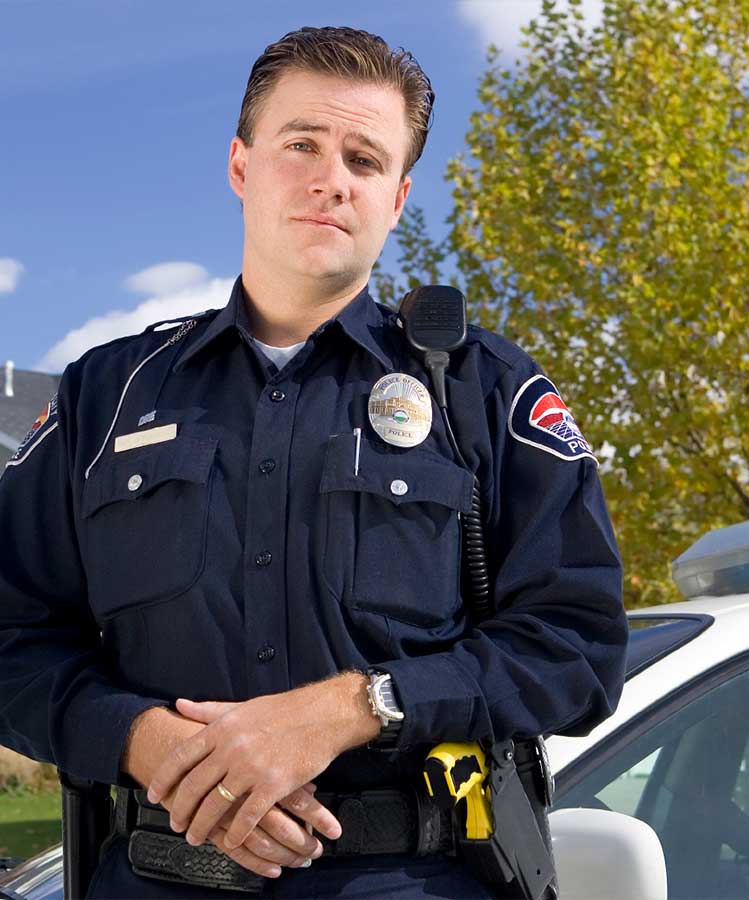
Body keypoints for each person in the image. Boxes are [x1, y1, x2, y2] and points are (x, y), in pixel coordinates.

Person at [0, 26, 627, 899]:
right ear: (240, 164)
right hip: (156, 872)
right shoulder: (103, 397)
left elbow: (577, 648)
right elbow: (13, 639)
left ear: (398, 197)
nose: (332, 177)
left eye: (365, 158)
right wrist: (146, 740)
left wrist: (352, 708)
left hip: (417, 876)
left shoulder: (483, 392)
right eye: (302, 144)